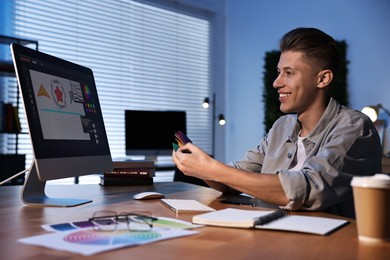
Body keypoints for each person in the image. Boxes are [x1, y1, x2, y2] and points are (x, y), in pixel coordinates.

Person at [172, 27, 382, 218]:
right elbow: (234, 179)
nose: (276, 83)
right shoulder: (282, 127)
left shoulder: (354, 127)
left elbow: (308, 188)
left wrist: (214, 169)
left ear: (322, 79)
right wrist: (201, 167)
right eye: (278, 72)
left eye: (289, 73)